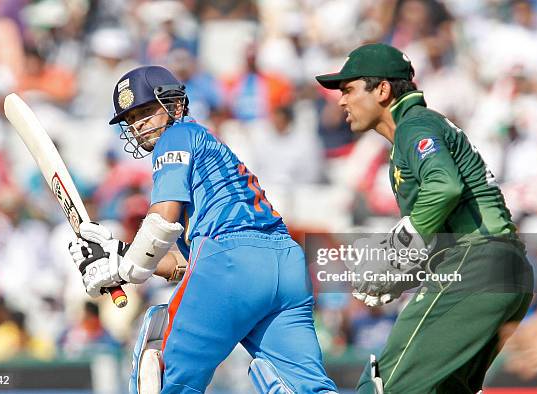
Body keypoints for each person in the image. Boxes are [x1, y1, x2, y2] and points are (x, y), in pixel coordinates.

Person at [69, 65, 337, 394]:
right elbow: (185, 266)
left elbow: (162, 221)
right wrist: (119, 254)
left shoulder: (176, 136)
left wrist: (126, 267)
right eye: (131, 118)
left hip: (230, 261)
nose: (138, 124)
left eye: (146, 111)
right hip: (286, 266)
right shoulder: (209, 154)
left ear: (175, 106)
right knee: (307, 388)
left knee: (161, 373)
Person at [315, 43, 534, 393]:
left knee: (384, 386)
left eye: (349, 89)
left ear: (383, 90)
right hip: (503, 269)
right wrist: (403, 273)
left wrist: (399, 247)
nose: (341, 101)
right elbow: (443, 227)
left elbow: (445, 186)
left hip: (477, 264)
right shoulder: (415, 131)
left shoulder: (414, 125)